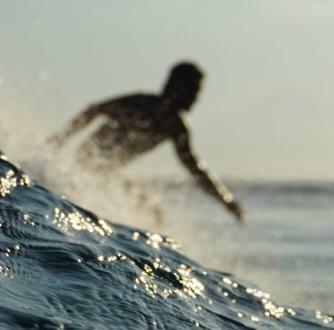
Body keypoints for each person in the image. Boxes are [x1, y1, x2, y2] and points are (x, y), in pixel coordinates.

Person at [48, 62, 244, 222]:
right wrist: (61, 138)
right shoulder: (140, 104)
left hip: (106, 173)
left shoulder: (176, 127)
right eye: (193, 89)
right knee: (145, 208)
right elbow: (94, 110)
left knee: (153, 213)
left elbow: (194, 168)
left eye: (198, 91)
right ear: (176, 87)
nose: (196, 97)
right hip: (82, 166)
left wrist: (226, 200)